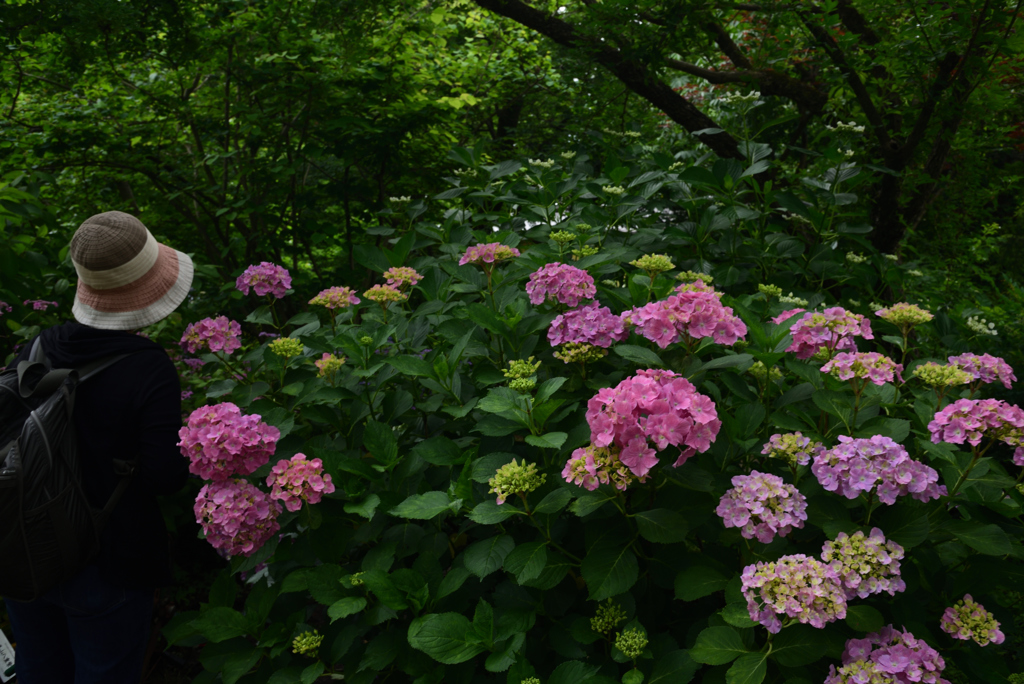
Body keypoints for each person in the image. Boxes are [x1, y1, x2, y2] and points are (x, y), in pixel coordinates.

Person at [3, 211, 193, 683]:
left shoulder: (38, 347)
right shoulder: (149, 370)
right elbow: (163, 476)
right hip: (108, 563)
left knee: (37, 671)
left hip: (23, 548)